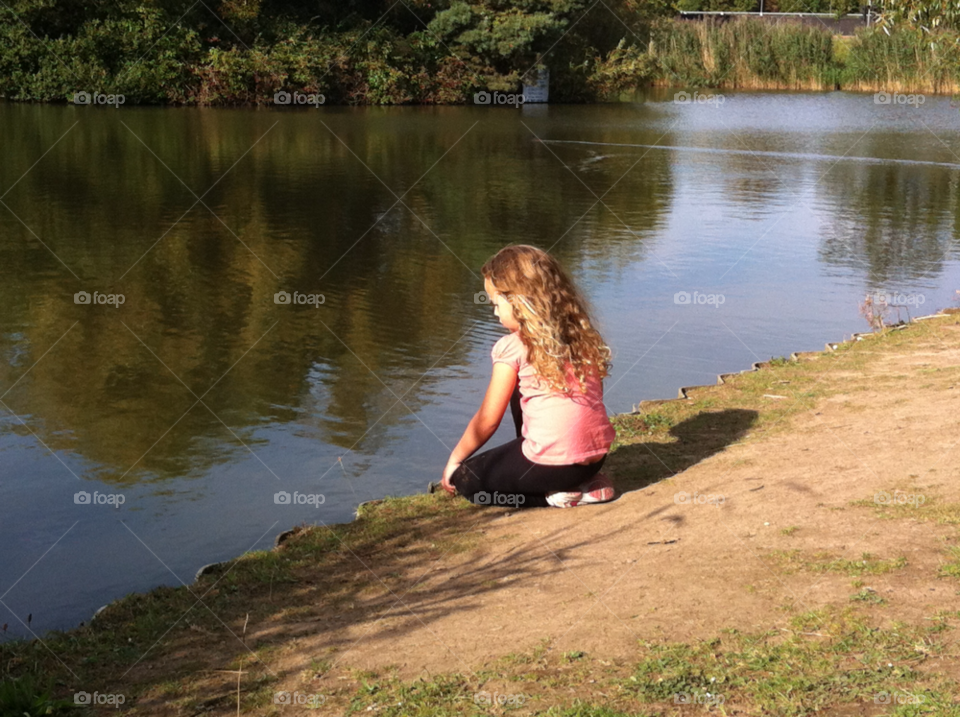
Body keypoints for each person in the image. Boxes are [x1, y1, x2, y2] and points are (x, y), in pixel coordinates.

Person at [440, 245, 617, 508]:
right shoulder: (582, 336)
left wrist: (455, 461)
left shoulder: (512, 347)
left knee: (467, 481)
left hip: (551, 466)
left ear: (518, 301)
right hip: (595, 456)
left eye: (497, 302)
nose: (495, 312)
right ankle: (587, 483)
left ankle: (551, 497)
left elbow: (488, 420)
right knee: (521, 387)